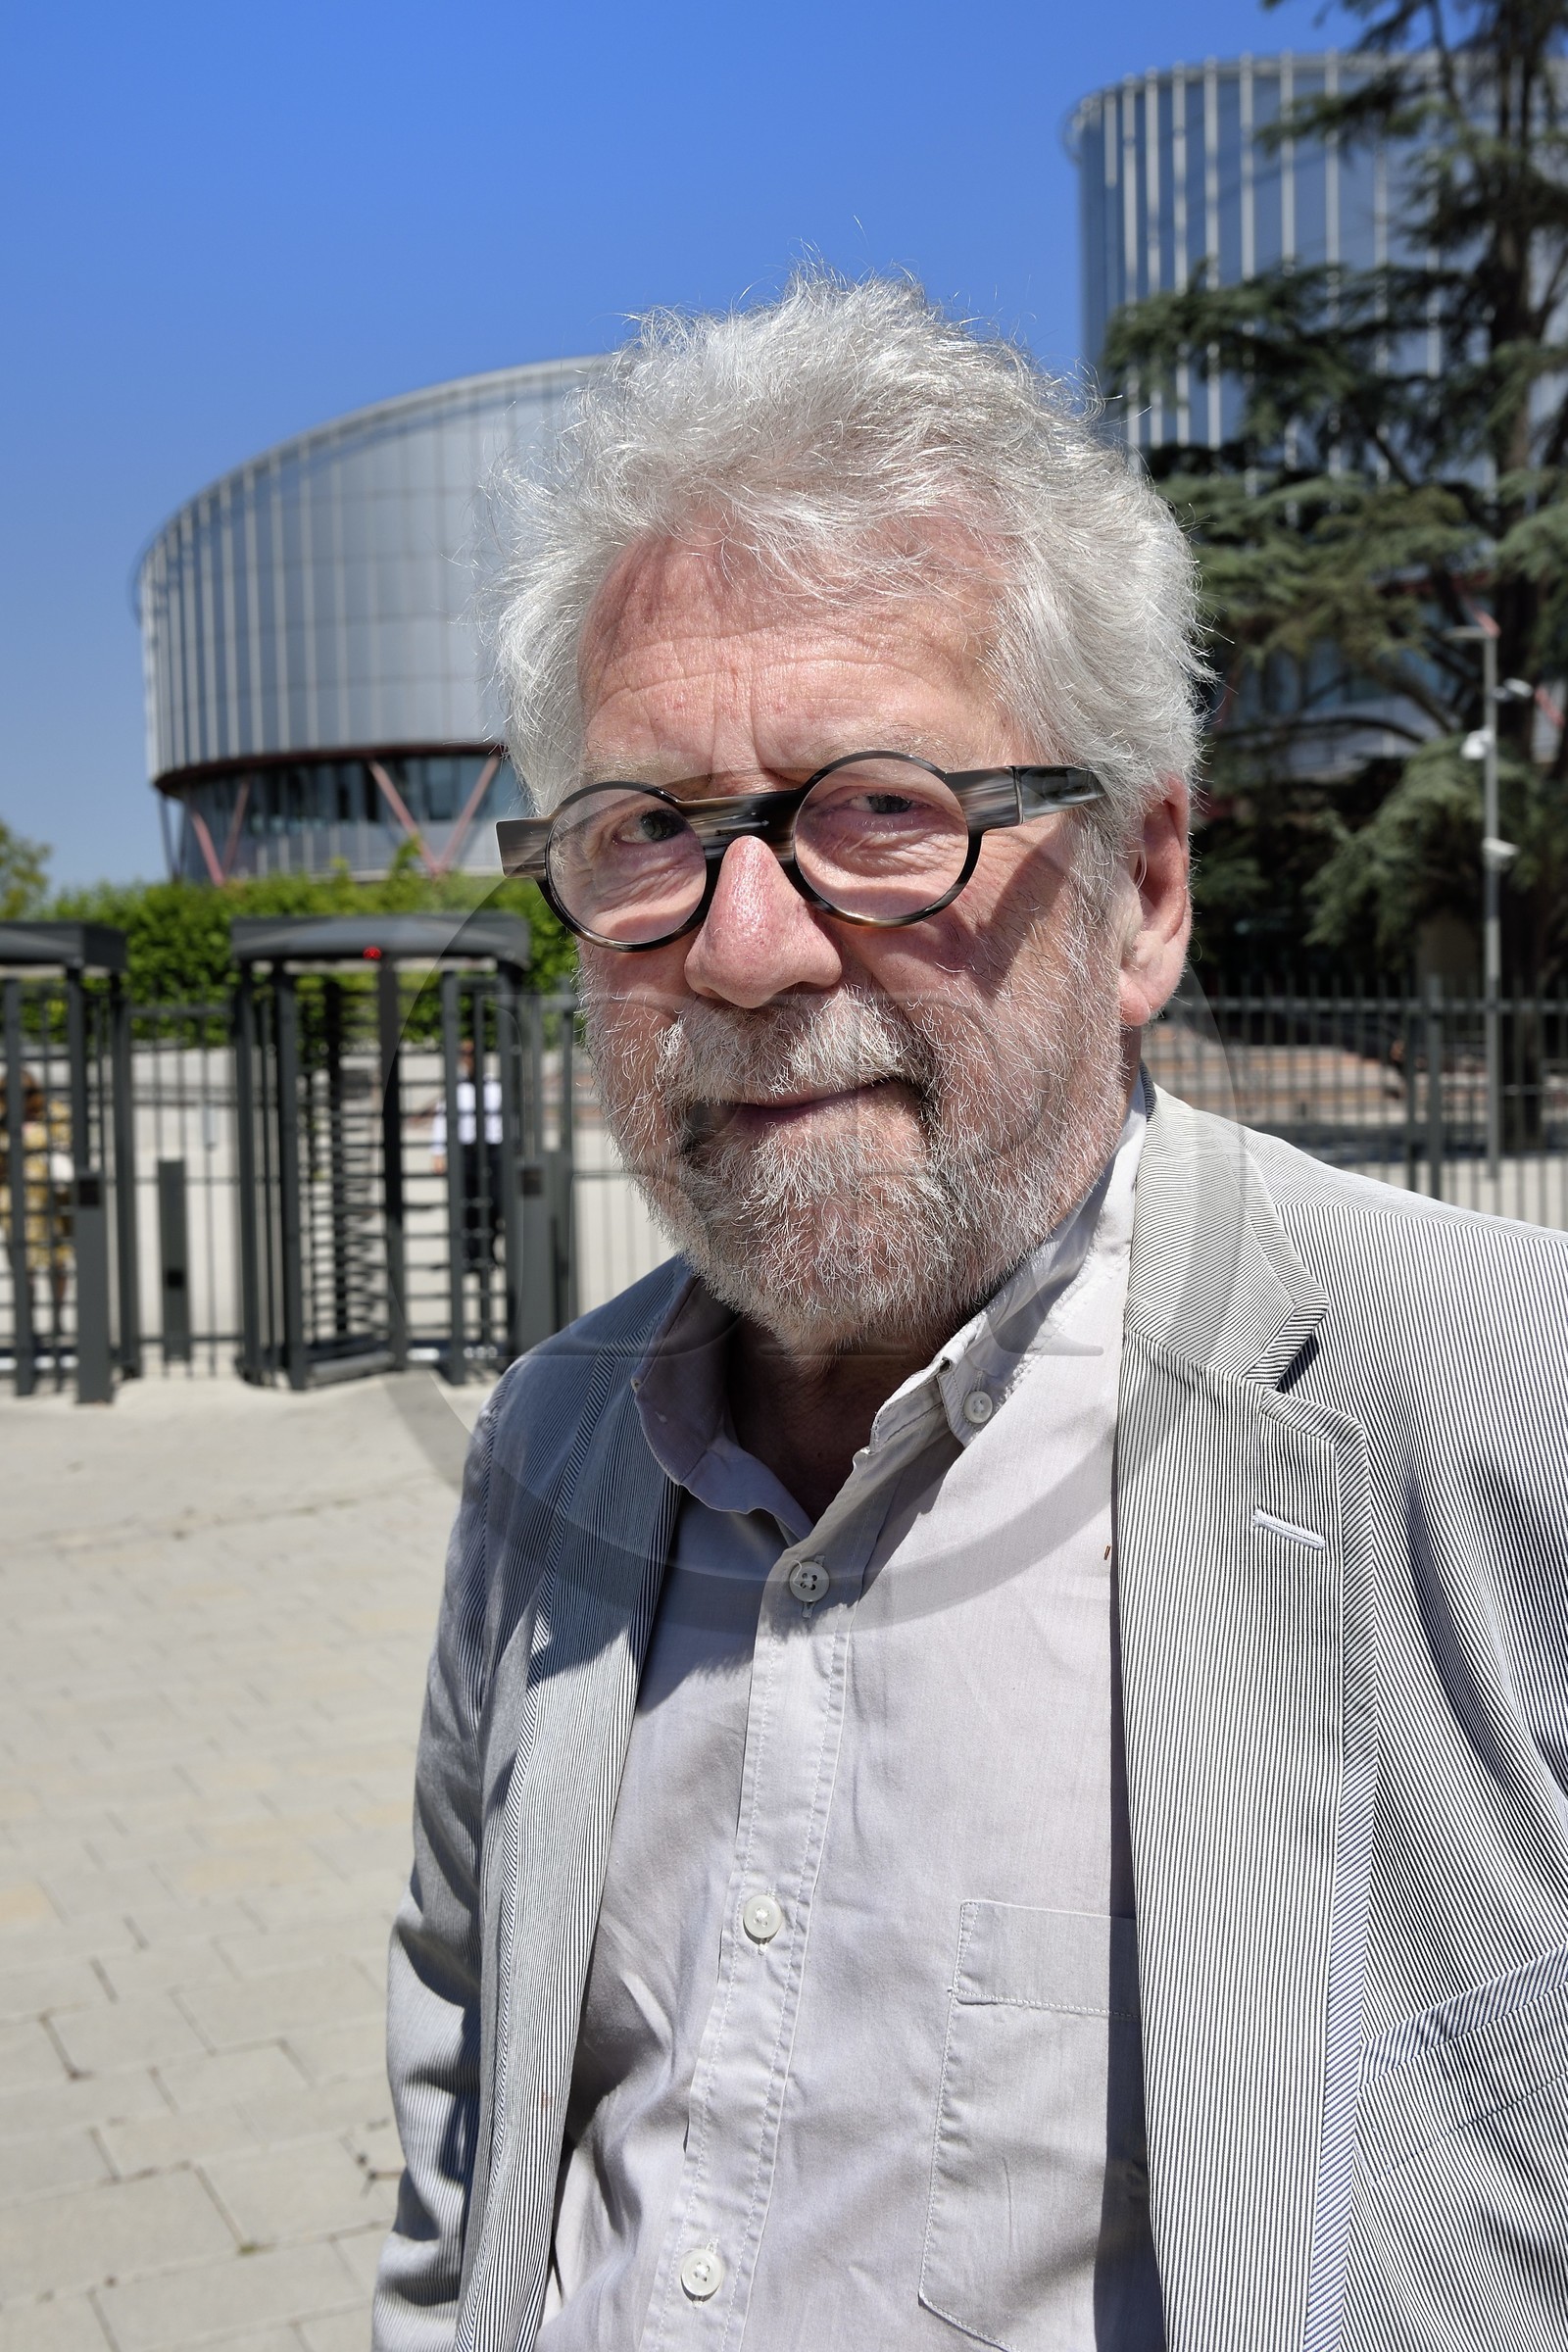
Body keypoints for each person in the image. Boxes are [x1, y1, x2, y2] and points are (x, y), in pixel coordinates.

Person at [373, 276, 1568, 2352]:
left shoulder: (1501, 1414)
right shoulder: (545, 1447)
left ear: (1146, 891)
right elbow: (468, 2147)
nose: (744, 950)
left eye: (879, 812)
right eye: (649, 834)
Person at [429, 1036, 504, 1269]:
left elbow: (507, 1120)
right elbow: (442, 1121)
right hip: (464, 1152)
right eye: (464, 1053)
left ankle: (488, 1253)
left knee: (494, 1204)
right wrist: (438, 1153)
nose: (468, 1058)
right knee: (465, 1204)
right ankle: (469, 1255)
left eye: (472, 1053)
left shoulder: (495, 1087)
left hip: (492, 1151)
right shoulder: (455, 1088)